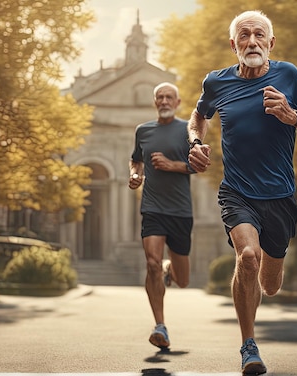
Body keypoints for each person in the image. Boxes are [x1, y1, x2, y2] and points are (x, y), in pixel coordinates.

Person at [186, 10, 297, 375]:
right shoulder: (216, 82)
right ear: (233, 44)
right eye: (244, 36)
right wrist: (194, 142)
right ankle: (249, 346)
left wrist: (293, 116)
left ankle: (266, 278)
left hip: (280, 196)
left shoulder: (288, 76)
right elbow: (198, 115)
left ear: (271, 43)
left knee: (270, 284)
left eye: (259, 36)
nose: (251, 42)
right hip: (236, 191)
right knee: (248, 257)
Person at [129, 82, 195, 350]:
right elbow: (136, 159)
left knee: (183, 281)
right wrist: (135, 174)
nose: (164, 101)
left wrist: (172, 165)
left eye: (169, 97)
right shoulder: (142, 131)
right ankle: (160, 326)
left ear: (178, 102)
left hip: (180, 211)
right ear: (155, 102)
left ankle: (171, 269)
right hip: (153, 208)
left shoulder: (187, 130)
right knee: (152, 263)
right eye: (160, 97)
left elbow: (199, 164)